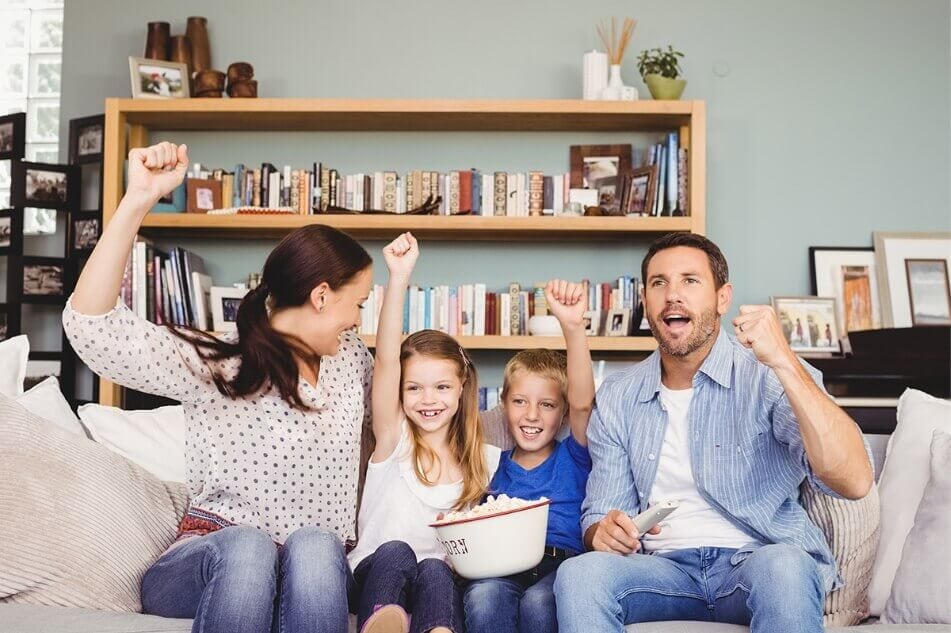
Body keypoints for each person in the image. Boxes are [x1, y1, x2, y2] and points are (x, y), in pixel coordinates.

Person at [63, 142, 374, 633]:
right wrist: (137, 200)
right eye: (358, 302)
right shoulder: (220, 360)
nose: (360, 318)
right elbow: (92, 329)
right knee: (248, 544)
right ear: (320, 296)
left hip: (311, 571)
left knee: (317, 544)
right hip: (210, 561)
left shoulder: (352, 360)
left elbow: (406, 415)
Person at [553, 233, 873, 633]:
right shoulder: (618, 395)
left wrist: (786, 362)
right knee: (580, 574)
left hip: (757, 561)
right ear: (645, 303)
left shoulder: (768, 374)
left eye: (690, 280)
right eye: (659, 283)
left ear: (723, 298)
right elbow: (601, 510)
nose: (673, 295)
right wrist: (604, 533)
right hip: (661, 572)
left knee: (787, 565)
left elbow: (855, 480)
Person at [347, 232, 500, 633]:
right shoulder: (393, 437)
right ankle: (382, 623)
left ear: (463, 387)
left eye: (442, 387)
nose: (427, 400)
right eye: (414, 388)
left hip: (438, 583)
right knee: (397, 552)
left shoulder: (483, 459)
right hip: (375, 573)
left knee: (435, 567)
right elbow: (385, 363)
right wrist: (397, 279)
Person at [463, 279, 595, 633]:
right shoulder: (491, 463)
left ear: (564, 414)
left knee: (539, 604)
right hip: (502, 567)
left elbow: (584, 402)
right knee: (483, 598)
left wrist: (573, 328)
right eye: (520, 402)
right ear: (503, 405)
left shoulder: (574, 456)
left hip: (559, 563)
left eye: (547, 405)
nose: (532, 415)